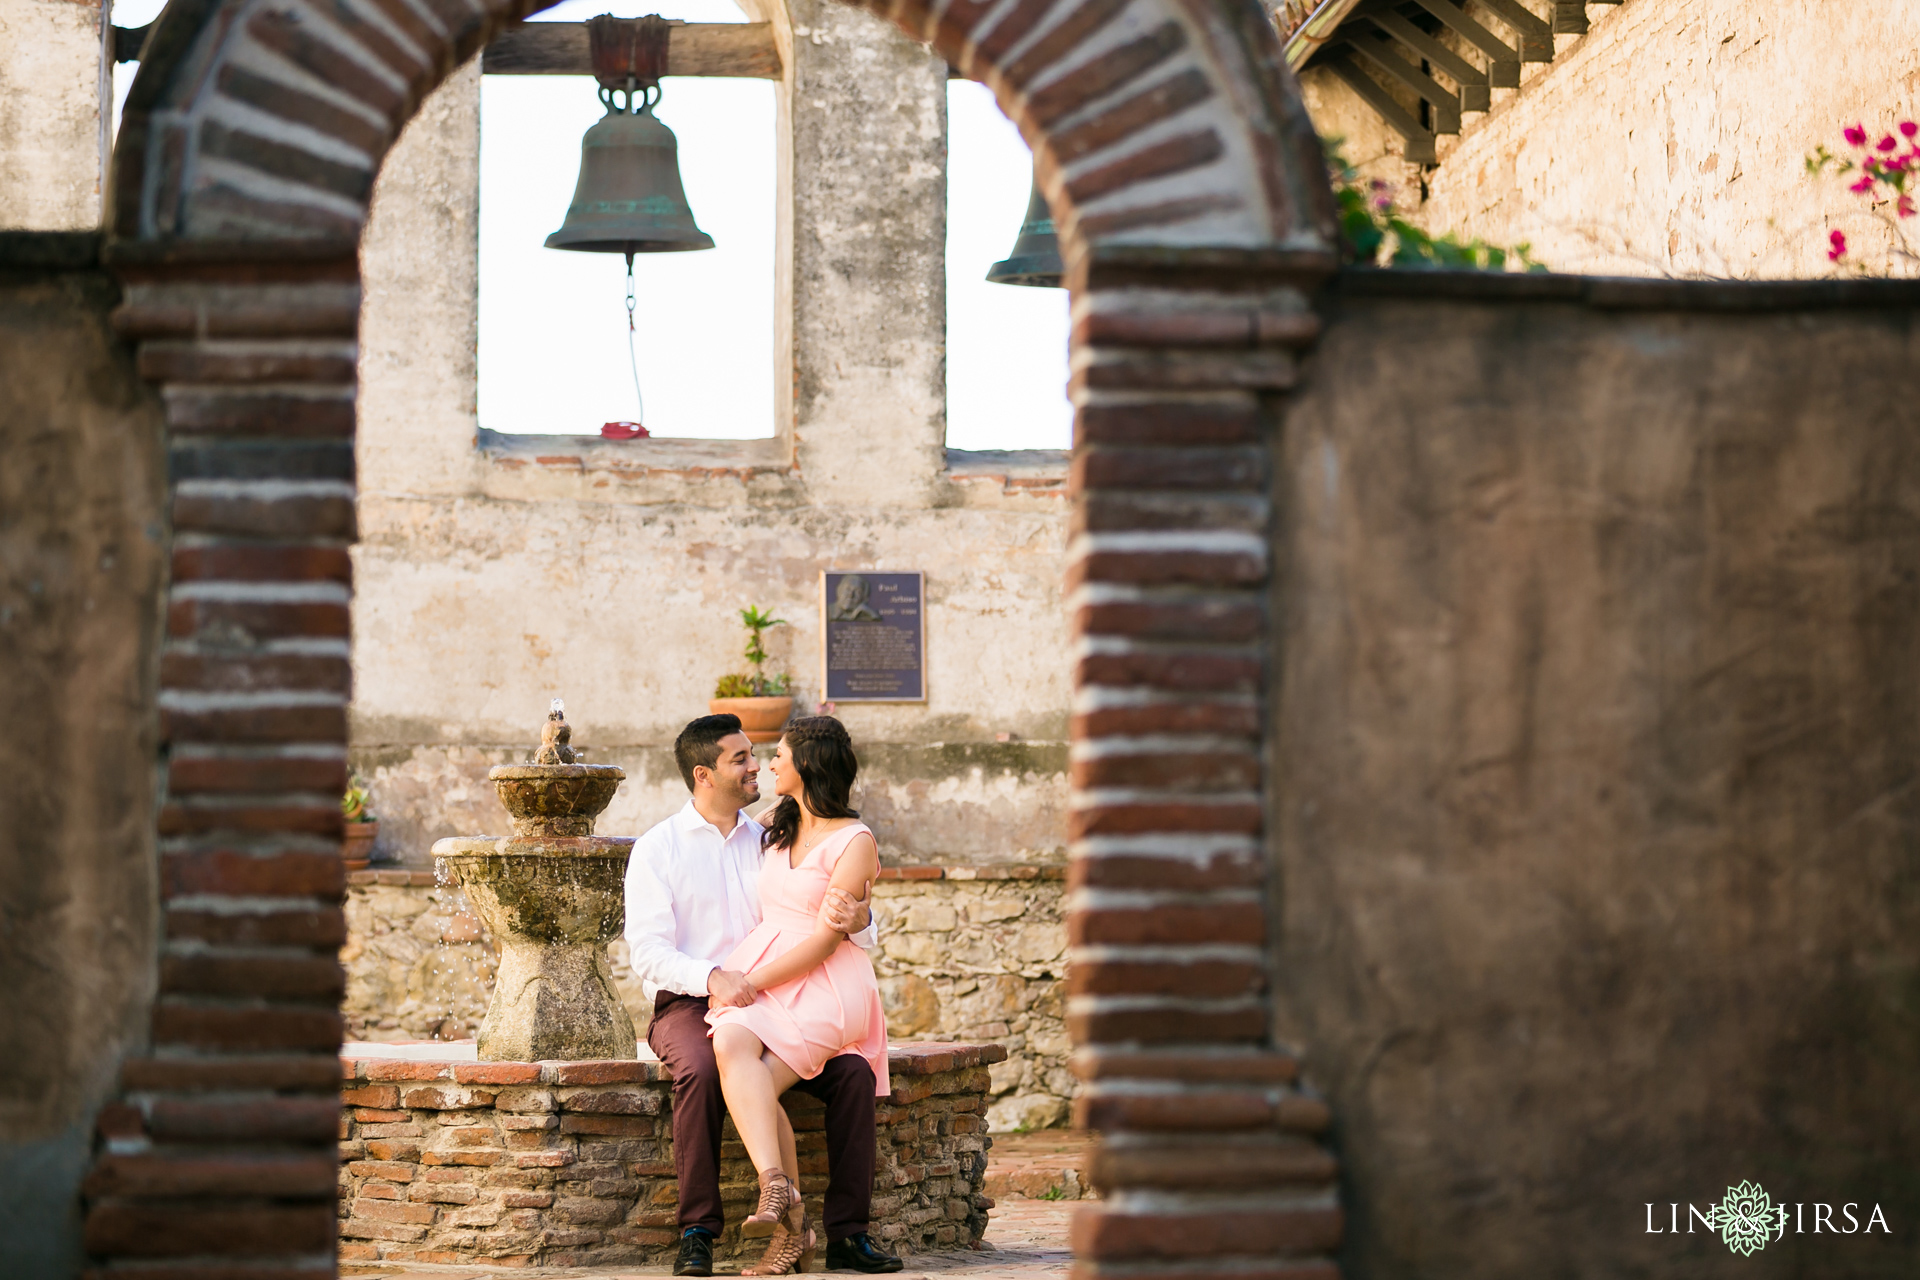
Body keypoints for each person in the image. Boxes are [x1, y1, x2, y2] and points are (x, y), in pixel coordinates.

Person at [625, 714, 904, 1278]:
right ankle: (699, 1229)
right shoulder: (659, 848)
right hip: (691, 998)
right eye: (742, 758)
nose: (757, 765)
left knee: (851, 1073)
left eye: (760, 754)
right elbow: (647, 953)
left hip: (782, 993)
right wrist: (711, 978)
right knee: (705, 1069)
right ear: (704, 774)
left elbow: (822, 909)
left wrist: (864, 918)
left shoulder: (772, 831)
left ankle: (847, 1233)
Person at [706, 717, 889, 1275]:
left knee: (756, 1075)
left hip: (825, 983)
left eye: (779, 755)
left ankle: (790, 1232)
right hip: (767, 966)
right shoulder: (775, 825)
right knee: (731, 1044)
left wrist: (750, 983)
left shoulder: (855, 842)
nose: (767, 764)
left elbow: (824, 942)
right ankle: (778, 1189)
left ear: (807, 764)